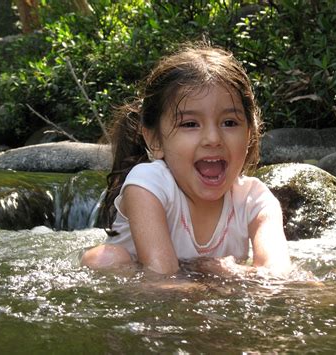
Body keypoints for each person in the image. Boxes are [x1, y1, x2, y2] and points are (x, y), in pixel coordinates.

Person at [81, 43, 291, 277]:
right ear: (155, 140)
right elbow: (161, 276)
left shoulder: (256, 200)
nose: (213, 139)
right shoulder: (148, 184)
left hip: (201, 293)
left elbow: (278, 273)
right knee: (106, 258)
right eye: (190, 124)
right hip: (140, 293)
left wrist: (225, 274)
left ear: (250, 133)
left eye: (229, 123)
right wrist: (223, 274)